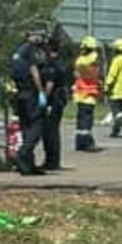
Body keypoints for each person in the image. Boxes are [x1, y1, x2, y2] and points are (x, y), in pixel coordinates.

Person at [9, 32, 48, 176]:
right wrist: (41, 92)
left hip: (20, 93)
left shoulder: (18, 51)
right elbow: (34, 70)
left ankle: (27, 165)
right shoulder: (31, 50)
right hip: (31, 93)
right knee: (37, 125)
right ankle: (23, 153)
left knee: (26, 126)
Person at [38, 37, 73, 170]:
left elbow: (50, 84)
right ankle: (52, 160)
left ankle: (52, 161)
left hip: (53, 100)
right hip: (59, 99)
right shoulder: (61, 63)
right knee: (52, 130)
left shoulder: (52, 64)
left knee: (50, 131)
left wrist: (43, 99)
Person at [72, 35, 104, 152]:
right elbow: (92, 73)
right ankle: (87, 143)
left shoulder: (79, 59)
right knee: (86, 120)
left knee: (81, 119)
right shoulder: (91, 58)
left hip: (80, 93)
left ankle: (79, 142)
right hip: (88, 93)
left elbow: (77, 74)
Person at [104, 38, 122, 137]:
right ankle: (116, 130)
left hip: (117, 90)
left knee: (116, 112)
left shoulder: (117, 60)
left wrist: (107, 86)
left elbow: (113, 74)